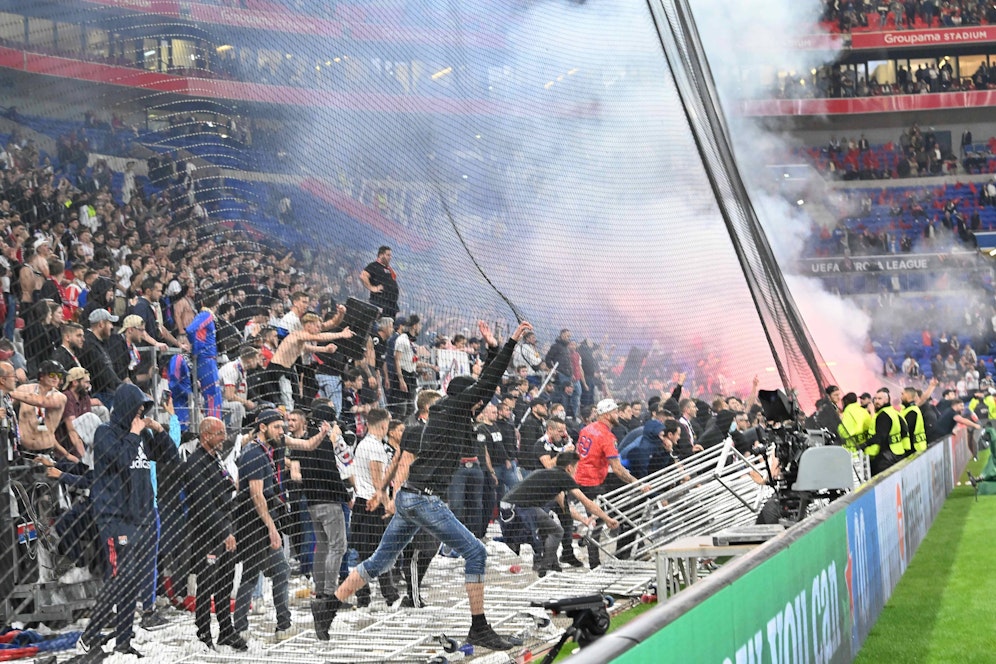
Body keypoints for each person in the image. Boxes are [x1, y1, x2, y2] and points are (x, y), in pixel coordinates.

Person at [332, 321, 534, 651]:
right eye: (477, 400)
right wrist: (508, 343)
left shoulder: (449, 412)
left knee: (380, 562)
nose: (481, 406)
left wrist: (494, 348)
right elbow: (489, 383)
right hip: (424, 500)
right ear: (465, 397)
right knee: (476, 552)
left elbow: (487, 386)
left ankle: (328, 605)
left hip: (412, 498)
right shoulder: (453, 409)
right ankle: (479, 628)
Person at [75, 383, 179, 661]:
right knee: (119, 579)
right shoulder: (105, 433)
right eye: (137, 409)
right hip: (115, 518)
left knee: (131, 583)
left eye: (144, 410)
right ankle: (88, 637)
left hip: (141, 518)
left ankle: (123, 642)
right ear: (125, 408)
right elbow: (121, 460)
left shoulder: (143, 435)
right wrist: (134, 434)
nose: (141, 415)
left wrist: (159, 430)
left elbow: (171, 456)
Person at [232, 408, 332, 642]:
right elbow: (256, 496)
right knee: (251, 574)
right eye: (277, 427)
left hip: (266, 520)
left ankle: (282, 625)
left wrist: (323, 433)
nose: (282, 430)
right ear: (262, 427)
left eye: (282, 427)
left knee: (279, 570)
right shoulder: (253, 454)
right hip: (254, 523)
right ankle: (241, 628)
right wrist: (271, 528)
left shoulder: (274, 444)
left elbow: (306, 445)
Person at [185, 417, 247, 652]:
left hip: (227, 529)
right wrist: (224, 533)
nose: (224, 438)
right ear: (206, 436)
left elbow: (227, 488)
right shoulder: (195, 463)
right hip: (207, 535)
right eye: (219, 433)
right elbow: (204, 506)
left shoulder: (215, 458)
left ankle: (226, 631)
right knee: (207, 585)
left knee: (224, 583)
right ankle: (203, 633)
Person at [501, 451, 618, 576]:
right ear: (569, 468)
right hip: (517, 510)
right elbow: (586, 502)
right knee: (556, 531)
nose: (576, 472)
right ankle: (544, 566)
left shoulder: (549, 475)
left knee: (551, 528)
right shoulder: (563, 477)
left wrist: (584, 519)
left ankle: (548, 564)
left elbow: (565, 507)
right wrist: (608, 519)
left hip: (511, 507)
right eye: (576, 468)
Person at [296, 401, 350, 640]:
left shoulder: (305, 440)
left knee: (323, 547)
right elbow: (335, 469)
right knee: (338, 546)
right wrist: (345, 495)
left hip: (312, 502)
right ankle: (328, 593)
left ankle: (320, 590)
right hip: (329, 501)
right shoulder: (324, 441)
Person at [575, 398, 649, 568]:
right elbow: (617, 468)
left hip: (584, 479)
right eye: (615, 412)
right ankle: (596, 563)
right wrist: (637, 483)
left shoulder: (587, 429)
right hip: (594, 482)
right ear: (607, 415)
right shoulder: (607, 436)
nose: (618, 414)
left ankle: (616, 550)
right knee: (599, 522)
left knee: (599, 520)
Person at [350, 407, 402, 608]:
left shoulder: (364, 443)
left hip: (363, 503)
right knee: (380, 551)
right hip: (371, 505)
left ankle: (365, 597)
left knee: (366, 553)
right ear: (383, 424)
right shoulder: (374, 447)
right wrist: (388, 504)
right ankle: (389, 595)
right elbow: (377, 481)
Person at [14, 360, 72, 461]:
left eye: (59, 375)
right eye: (52, 374)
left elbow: (41, 402)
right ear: (41, 376)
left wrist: (11, 392)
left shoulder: (60, 397)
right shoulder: (23, 390)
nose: (56, 378)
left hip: (45, 451)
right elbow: (7, 405)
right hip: (22, 449)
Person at [866, 388, 909, 476]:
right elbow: (905, 430)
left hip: (888, 456)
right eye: (875, 399)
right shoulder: (894, 412)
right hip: (900, 452)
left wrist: (865, 444)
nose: (876, 401)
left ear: (886, 400)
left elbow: (880, 437)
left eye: (879, 399)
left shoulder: (883, 415)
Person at [359, 246, 399, 319]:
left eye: (390, 255)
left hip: (391, 305)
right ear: (381, 255)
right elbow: (363, 276)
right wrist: (372, 288)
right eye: (388, 255)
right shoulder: (374, 266)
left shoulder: (388, 268)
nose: (390, 257)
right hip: (380, 302)